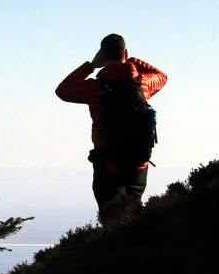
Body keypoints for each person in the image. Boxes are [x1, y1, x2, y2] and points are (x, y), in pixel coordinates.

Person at [56, 33, 168, 224]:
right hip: (138, 164)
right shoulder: (143, 84)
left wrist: (91, 65)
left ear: (102, 55)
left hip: (108, 165)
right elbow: (162, 76)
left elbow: (63, 90)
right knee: (136, 220)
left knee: (112, 221)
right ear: (125, 52)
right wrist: (132, 61)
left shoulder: (95, 88)